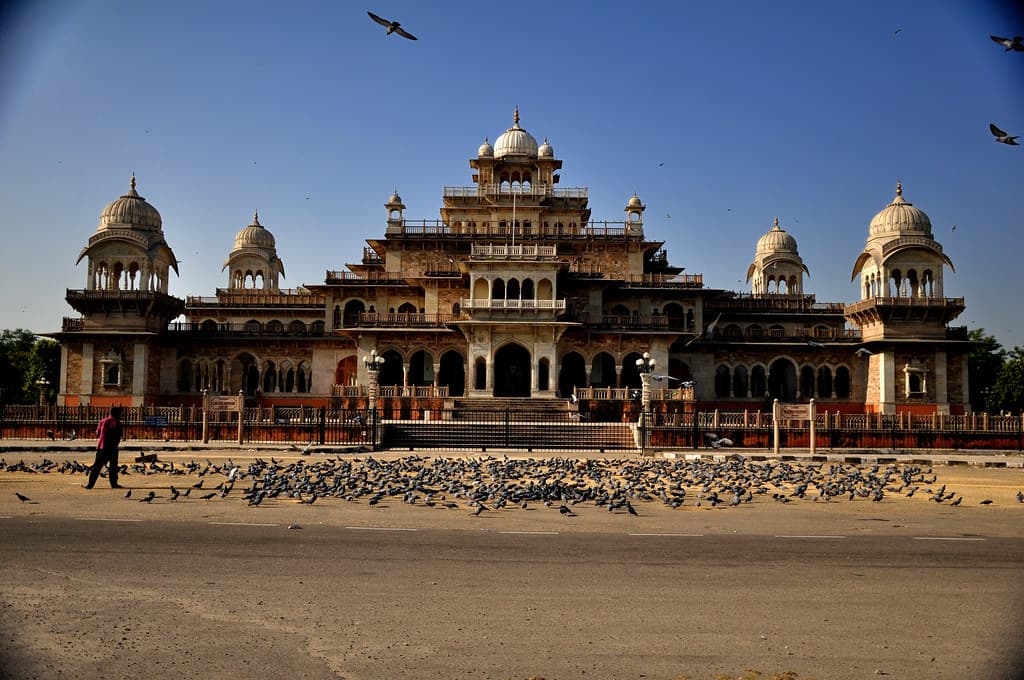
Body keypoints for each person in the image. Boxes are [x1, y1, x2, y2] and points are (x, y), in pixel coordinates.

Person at [84, 406, 124, 489]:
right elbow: (118, 436)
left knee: (97, 466)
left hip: (102, 447)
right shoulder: (118, 423)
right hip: (113, 447)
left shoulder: (103, 421)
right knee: (113, 466)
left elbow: (98, 433)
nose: (121, 415)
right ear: (116, 413)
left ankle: (90, 484)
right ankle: (114, 484)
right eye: (120, 413)